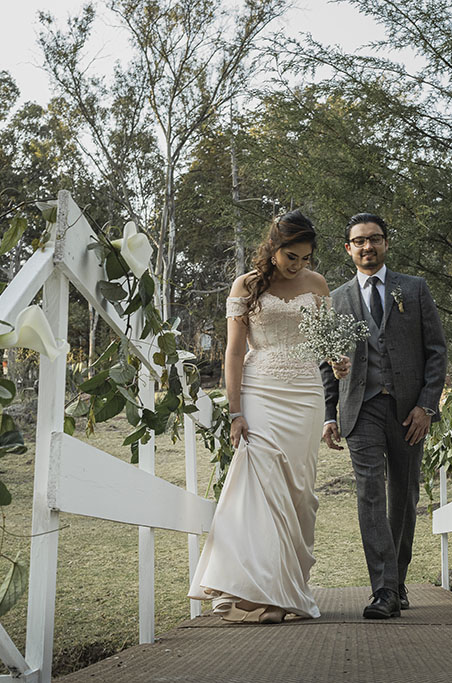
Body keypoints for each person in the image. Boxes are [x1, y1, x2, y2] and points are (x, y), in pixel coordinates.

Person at [188, 210, 350, 624]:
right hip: (260, 389)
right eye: (292, 256)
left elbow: (326, 338)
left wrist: (337, 360)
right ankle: (258, 589)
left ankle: (286, 591)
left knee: (299, 491)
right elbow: (235, 352)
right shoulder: (246, 285)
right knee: (260, 480)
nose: (299, 265)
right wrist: (236, 411)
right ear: (274, 248)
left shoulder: (316, 284)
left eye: (306, 258)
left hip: (305, 392)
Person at [321, 213, 447, 619]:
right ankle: (383, 591)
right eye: (359, 241)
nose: (367, 247)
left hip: (409, 410)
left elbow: (436, 352)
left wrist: (427, 406)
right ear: (348, 249)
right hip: (361, 409)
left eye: (374, 239)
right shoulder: (336, 299)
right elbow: (328, 364)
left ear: (386, 244)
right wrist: (329, 414)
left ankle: (397, 580)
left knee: (404, 496)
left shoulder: (414, 288)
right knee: (370, 493)